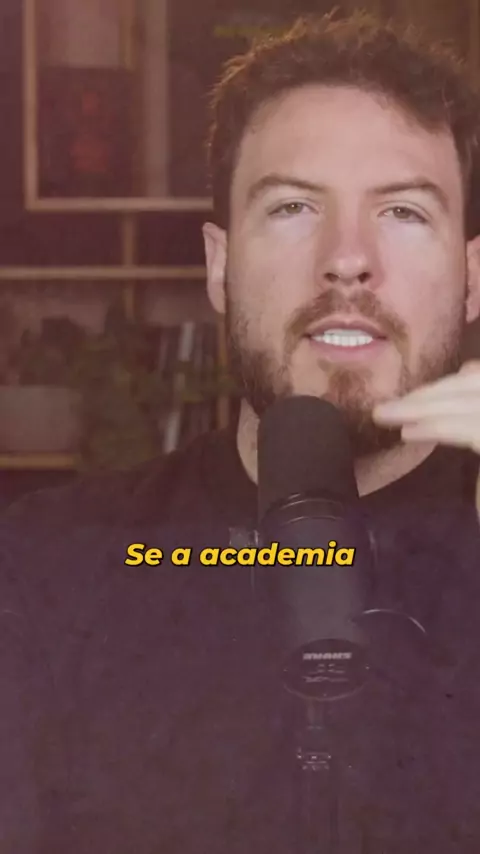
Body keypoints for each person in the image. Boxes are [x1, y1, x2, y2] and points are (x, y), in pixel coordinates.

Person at [2, 9, 480, 853]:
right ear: (220, 266)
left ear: (473, 278)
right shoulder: (47, 566)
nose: (348, 258)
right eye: (293, 206)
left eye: (404, 212)